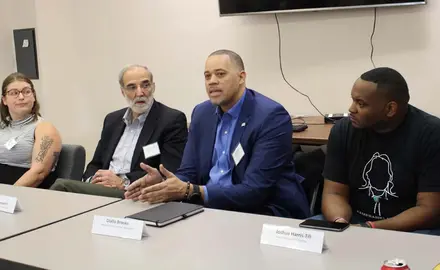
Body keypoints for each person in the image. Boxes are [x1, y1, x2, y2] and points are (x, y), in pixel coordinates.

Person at [125, 50, 310, 218]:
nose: (212, 81)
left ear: (241, 77)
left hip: (264, 211)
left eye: (220, 74)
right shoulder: (202, 113)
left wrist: (192, 191)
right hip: (210, 208)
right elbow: (188, 171)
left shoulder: (270, 116)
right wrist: (165, 183)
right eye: (207, 76)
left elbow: (255, 191)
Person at [319, 67, 440, 235]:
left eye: (361, 104)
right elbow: (334, 193)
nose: (351, 109)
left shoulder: (431, 134)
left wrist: (370, 229)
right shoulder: (343, 130)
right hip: (355, 221)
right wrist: (340, 223)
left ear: (390, 109)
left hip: (413, 228)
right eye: (353, 100)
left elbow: (429, 210)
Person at [50, 65, 188, 197]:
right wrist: (92, 179)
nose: (140, 93)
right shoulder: (112, 120)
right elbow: (96, 163)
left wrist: (123, 182)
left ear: (153, 87)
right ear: (123, 92)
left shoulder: (171, 120)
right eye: (132, 87)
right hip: (101, 190)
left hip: (133, 193)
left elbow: (169, 170)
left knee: (62, 187)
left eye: (145, 85)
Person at [0, 72, 61, 188]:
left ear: (33, 96)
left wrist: (6, 196)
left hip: (23, 194)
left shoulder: (45, 129)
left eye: (26, 91)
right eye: (14, 93)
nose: (21, 97)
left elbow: (38, 174)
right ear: (4, 100)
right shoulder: (2, 127)